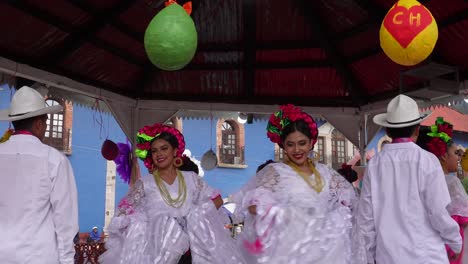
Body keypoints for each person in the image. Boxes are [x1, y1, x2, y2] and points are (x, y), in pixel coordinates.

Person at [232, 104, 362, 263]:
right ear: (283, 146)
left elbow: (350, 200)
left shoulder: (325, 172)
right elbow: (253, 206)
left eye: (302, 143)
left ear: (311, 143)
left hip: (324, 253)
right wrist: (286, 215)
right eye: (290, 144)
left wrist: (338, 216)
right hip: (290, 253)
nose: (297, 150)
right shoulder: (276, 172)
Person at [99, 123, 246, 264]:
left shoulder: (191, 179)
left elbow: (217, 199)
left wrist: (196, 215)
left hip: (193, 252)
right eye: (155, 151)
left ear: (175, 151)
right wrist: (146, 225)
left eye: (164, 148)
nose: (159, 154)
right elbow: (122, 213)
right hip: (160, 254)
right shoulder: (145, 184)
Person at [357, 94, 462, 264]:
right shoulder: (427, 161)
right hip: (426, 256)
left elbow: (366, 219)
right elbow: (438, 211)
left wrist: (368, 256)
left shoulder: (374, 165)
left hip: (388, 256)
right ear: (417, 129)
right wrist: (455, 241)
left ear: (388, 130)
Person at [0, 86, 79, 263]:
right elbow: (65, 221)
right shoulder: (54, 160)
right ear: (39, 124)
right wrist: (67, 260)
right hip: (38, 256)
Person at [416, 117, 468, 264]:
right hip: (450, 245)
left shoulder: (422, 179)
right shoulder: (451, 181)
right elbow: (463, 218)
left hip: (426, 245)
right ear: (444, 156)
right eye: (455, 153)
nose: (459, 158)